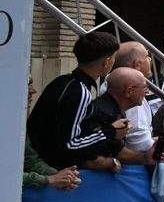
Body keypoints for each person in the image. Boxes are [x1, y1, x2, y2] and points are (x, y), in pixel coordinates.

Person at [28, 30, 122, 170]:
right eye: (114, 58)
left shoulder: (62, 81)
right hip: (47, 166)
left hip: (37, 156)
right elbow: (69, 144)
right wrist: (110, 131)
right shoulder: (80, 91)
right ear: (106, 62)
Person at [79, 67, 164, 168]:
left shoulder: (115, 109)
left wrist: (146, 157)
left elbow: (117, 150)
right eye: (144, 87)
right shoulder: (104, 113)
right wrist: (111, 163)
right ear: (129, 91)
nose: (147, 91)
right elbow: (88, 157)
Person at [22, 78, 80, 192]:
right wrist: (48, 179)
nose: (33, 91)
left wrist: (60, 176)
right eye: (27, 84)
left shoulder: (15, 121)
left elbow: (29, 159)